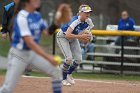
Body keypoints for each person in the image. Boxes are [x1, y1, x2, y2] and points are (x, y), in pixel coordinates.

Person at [0, 0, 62, 93]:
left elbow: (47, 32)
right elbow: (29, 42)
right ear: (27, 2)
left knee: (56, 71)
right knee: (8, 89)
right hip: (18, 55)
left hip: (32, 54)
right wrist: (48, 57)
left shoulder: (37, 15)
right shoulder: (21, 17)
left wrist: (57, 22)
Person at [57, 4, 94, 86]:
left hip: (73, 37)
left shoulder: (89, 21)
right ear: (80, 13)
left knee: (78, 59)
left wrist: (88, 36)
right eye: (86, 12)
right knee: (69, 58)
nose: (88, 14)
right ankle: (63, 79)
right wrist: (81, 36)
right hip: (62, 36)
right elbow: (67, 35)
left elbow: (85, 32)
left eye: (89, 12)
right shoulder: (75, 20)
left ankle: (69, 73)